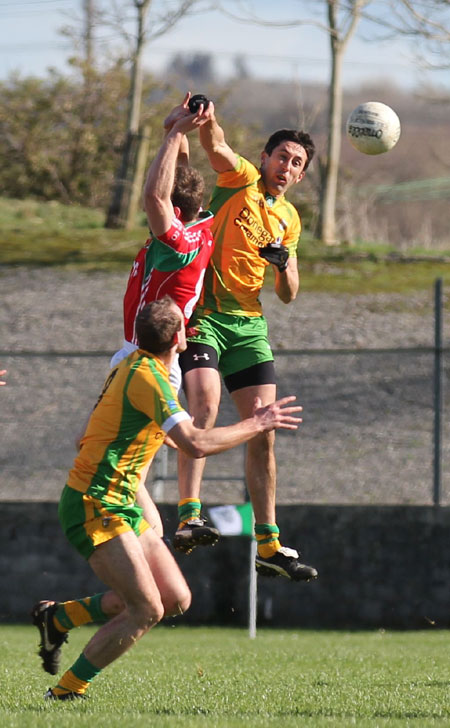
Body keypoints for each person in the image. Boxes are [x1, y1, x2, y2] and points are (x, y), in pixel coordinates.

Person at [32, 296, 303, 700]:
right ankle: (66, 692)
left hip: (119, 500)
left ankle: (60, 617)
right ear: (180, 337)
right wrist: (256, 423)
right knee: (146, 609)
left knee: (175, 599)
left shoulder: (137, 366)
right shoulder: (148, 379)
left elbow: (93, 437)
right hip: (96, 504)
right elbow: (194, 444)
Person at [175, 98, 318, 582]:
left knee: (264, 430)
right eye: (282, 156)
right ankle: (189, 515)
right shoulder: (238, 181)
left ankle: (269, 543)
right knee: (205, 406)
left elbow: (289, 294)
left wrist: (284, 265)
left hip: (250, 325)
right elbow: (214, 146)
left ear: (300, 176)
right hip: (207, 315)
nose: (287, 166)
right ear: (264, 158)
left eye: (297, 163)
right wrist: (207, 118)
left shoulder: (290, 221)